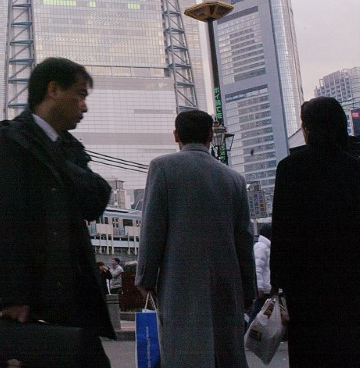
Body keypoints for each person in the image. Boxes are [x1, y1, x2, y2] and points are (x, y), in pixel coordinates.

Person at [0, 57, 115, 364]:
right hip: (33, 304)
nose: (84, 106)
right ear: (53, 90)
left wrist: (53, 160)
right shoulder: (8, 144)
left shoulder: (67, 148)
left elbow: (96, 199)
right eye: (79, 94)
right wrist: (14, 296)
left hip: (72, 297)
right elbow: (1, 225)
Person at [135, 109, 255, 368]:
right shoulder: (234, 179)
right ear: (211, 135)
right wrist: (248, 290)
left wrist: (145, 277)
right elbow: (244, 239)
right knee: (225, 353)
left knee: (185, 351)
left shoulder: (163, 168)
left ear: (176, 135)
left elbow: (153, 227)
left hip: (179, 281)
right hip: (226, 282)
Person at [271, 97, 360, 367]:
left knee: (310, 354)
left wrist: (278, 282)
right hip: (350, 285)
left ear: (308, 129)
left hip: (306, 287)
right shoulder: (354, 169)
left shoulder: (291, 169)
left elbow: (282, 230)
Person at [250, 223, 272, 323]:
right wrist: (260, 288)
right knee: (257, 316)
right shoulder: (261, 247)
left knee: (263, 317)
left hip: (268, 290)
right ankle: (249, 336)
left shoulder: (266, 247)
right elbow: (257, 269)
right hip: (264, 291)